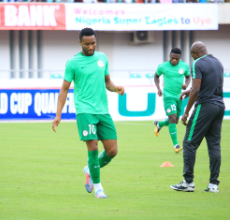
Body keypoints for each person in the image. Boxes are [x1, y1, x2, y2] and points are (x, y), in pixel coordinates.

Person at [52, 28, 125, 198]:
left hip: (103, 111)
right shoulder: (73, 63)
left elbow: (107, 82)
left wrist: (116, 89)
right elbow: (64, 89)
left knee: (112, 151)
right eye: (87, 44)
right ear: (80, 43)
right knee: (92, 147)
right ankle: (98, 187)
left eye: (93, 43)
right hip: (85, 110)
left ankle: (89, 169)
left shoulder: (102, 58)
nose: (91, 46)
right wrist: (58, 115)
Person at [170, 42, 225, 193]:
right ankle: (213, 185)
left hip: (205, 106)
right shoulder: (218, 62)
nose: (193, 58)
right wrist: (189, 91)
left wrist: (186, 112)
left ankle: (188, 182)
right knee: (214, 145)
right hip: (219, 106)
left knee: (189, 143)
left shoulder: (198, 63)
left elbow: (196, 89)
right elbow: (207, 87)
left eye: (192, 55)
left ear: (195, 53)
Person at [154, 48, 191, 153]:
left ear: (180, 58)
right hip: (168, 96)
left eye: (177, 59)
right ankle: (176, 145)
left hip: (179, 96)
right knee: (172, 117)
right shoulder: (162, 66)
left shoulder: (184, 66)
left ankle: (159, 125)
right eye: (172, 58)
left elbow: (188, 77)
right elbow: (156, 76)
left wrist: (186, 85)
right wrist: (158, 88)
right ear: (169, 56)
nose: (174, 60)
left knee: (175, 121)